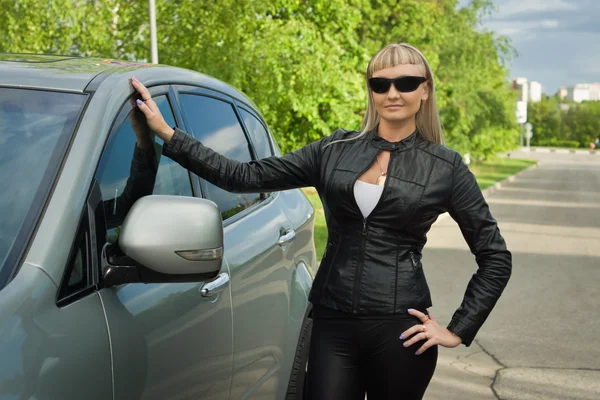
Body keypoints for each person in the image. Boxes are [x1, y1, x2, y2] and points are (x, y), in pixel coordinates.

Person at [129, 43, 512, 400]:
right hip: (332, 320)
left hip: (400, 329)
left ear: (425, 90)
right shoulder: (333, 150)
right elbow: (242, 176)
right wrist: (167, 134)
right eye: (380, 84)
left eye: (406, 83)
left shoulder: (446, 168)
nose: (392, 93)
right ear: (371, 91)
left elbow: (495, 256)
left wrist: (458, 329)